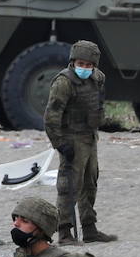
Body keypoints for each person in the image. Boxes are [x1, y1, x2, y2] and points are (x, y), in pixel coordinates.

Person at [45, 40, 116, 245]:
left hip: (90, 137)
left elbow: (97, 104)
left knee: (90, 183)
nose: (84, 68)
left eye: (88, 65)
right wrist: (59, 143)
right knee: (69, 186)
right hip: (71, 139)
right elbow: (52, 116)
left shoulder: (98, 78)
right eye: (80, 64)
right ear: (73, 62)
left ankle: (89, 228)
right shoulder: (63, 82)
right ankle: (65, 232)